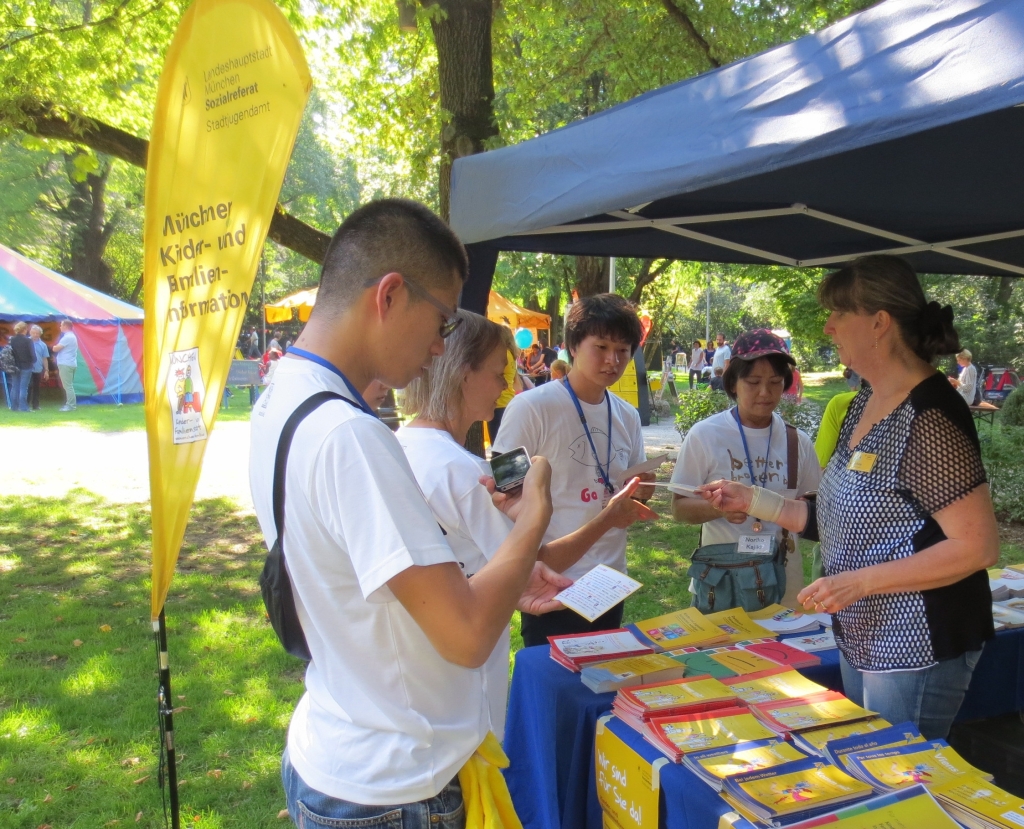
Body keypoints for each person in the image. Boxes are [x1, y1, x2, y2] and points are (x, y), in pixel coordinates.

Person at [250, 199, 560, 826]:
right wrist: (533, 515)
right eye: (443, 320)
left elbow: (378, 595)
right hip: (395, 783)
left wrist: (499, 581)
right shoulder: (351, 437)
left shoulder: (280, 399)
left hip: (344, 744)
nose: (439, 345)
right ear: (390, 295)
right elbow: (469, 635)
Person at [700, 255, 999, 739]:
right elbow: (839, 517)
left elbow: (977, 546)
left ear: (879, 323)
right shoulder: (865, 400)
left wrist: (858, 583)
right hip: (863, 632)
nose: (828, 326)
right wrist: (752, 500)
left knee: (898, 782)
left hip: (916, 641)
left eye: (840, 313)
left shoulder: (929, 416)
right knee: (869, 772)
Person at [400, 310, 650, 738]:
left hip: (431, 688)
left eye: (623, 351)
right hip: (458, 700)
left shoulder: (405, 446)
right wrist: (577, 517)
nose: (506, 384)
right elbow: (524, 551)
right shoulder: (472, 464)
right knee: (559, 712)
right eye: (500, 372)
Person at [493, 293, 657, 646]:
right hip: (550, 580)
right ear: (572, 345)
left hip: (610, 580)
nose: (613, 360)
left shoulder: (626, 415)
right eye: (601, 346)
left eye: (623, 350)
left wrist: (642, 489)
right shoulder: (530, 409)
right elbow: (501, 491)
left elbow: (634, 482)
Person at [669, 329, 821, 608]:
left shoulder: (795, 441)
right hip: (722, 583)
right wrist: (716, 508)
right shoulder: (706, 435)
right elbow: (679, 507)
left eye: (775, 382)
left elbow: (816, 514)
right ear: (733, 383)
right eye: (753, 382)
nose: (765, 393)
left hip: (783, 583)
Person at [51, 320, 79, 412]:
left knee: (68, 386)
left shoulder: (67, 337)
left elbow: (56, 348)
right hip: (71, 363)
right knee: (69, 385)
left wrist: (54, 347)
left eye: (61, 325)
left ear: (66, 326)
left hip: (65, 364)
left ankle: (71, 405)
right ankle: (70, 404)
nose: (60, 327)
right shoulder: (72, 336)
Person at [9, 322, 35, 412]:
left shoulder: (12, 340)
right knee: (23, 387)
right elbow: (32, 355)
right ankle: (23, 407)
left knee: (14, 386)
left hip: (14, 365)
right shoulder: (28, 340)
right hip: (26, 366)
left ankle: (14, 407)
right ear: (24, 329)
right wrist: (33, 361)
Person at [28, 325, 49, 411]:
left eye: (37, 333)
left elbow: (45, 358)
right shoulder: (26, 342)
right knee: (27, 387)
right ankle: (25, 404)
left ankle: (35, 405)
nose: (35, 335)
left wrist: (46, 370)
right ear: (30, 333)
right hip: (27, 369)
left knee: (36, 388)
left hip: (37, 369)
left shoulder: (43, 345)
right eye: (34, 333)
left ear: (40, 334)